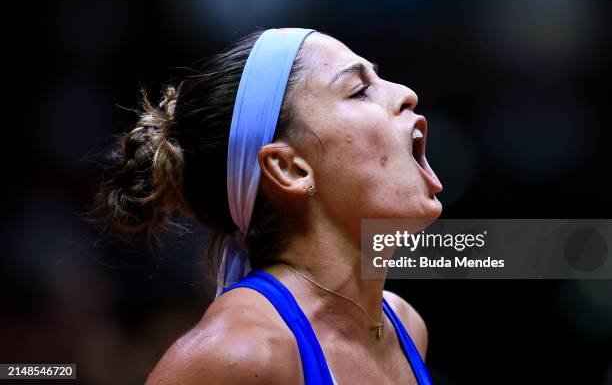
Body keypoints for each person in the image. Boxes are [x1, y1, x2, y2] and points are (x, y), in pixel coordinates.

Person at [95, 28, 443, 384]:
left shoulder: (405, 326)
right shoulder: (237, 354)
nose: (407, 94)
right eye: (359, 91)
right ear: (288, 168)